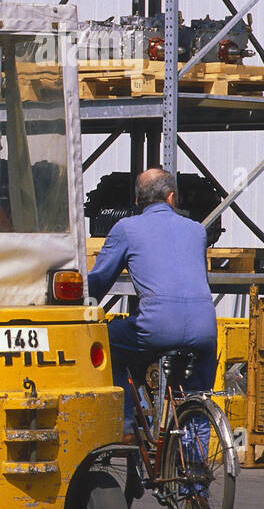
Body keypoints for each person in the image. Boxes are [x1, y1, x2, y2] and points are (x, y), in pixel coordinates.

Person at [87, 168, 218, 437]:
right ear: (172, 198)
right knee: (198, 398)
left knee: (107, 343)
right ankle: (195, 475)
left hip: (157, 329)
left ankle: (125, 425)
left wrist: (82, 307)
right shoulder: (196, 231)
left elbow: (99, 281)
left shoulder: (126, 229)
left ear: (137, 201)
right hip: (204, 329)